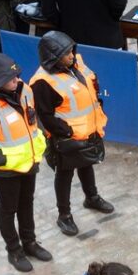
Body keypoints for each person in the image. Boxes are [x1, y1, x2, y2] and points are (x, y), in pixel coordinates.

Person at [0, 53, 50, 272]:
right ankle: (14, 250)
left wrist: (39, 139)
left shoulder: (23, 91)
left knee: (27, 203)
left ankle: (30, 242)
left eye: (16, 76)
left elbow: (32, 118)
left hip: (28, 162)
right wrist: (0, 159)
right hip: (5, 170)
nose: (17, 81)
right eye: (11, 78)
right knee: (9, 209)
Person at [28, 31, 114, 239]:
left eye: (71, 51)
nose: (71, 56)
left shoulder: (75, 65)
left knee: (87, 164)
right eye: (66, 53)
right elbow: (45, 115)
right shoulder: (42, 82)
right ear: (53, 58)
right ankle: (64, 215)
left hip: (87, 131)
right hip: (65, 139)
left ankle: (91, 197)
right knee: (64, 175)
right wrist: (67, 132)